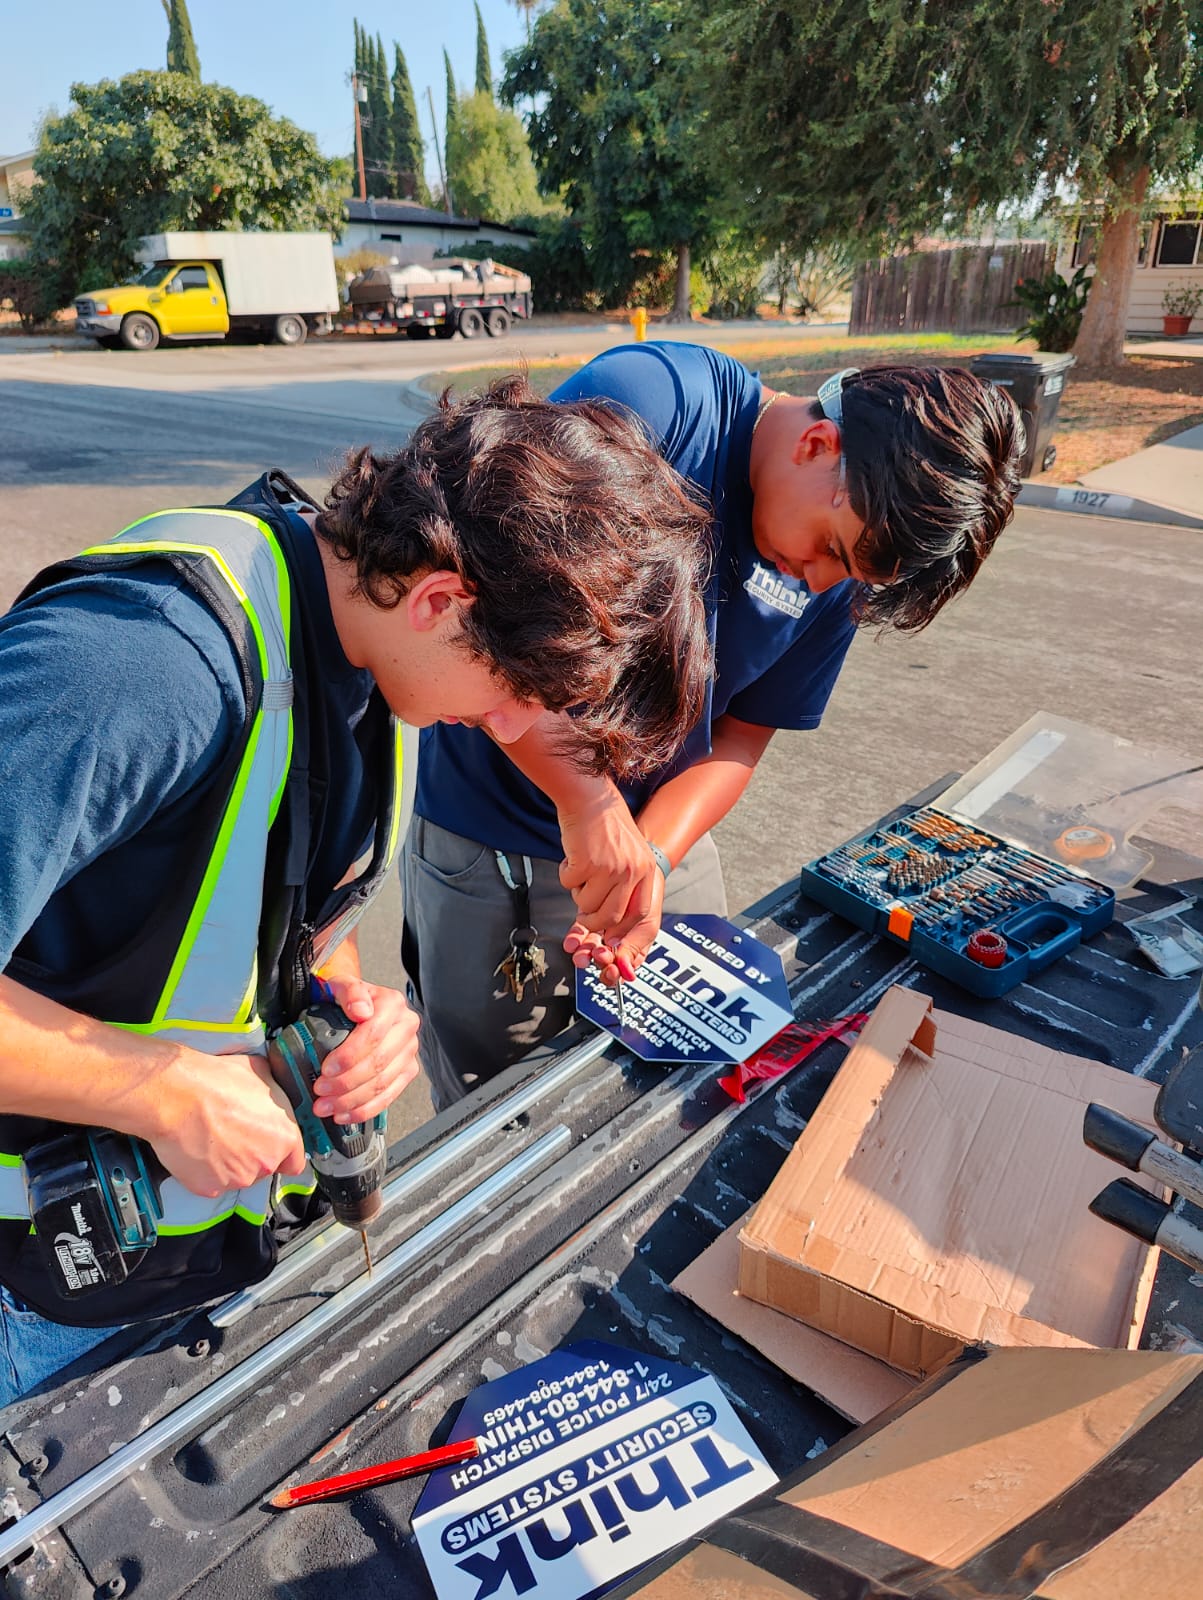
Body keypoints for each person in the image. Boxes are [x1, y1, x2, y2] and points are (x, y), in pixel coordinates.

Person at [0, 374, 713, 1402]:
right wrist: (154, 1090)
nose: (514, 735)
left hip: (173, 1271)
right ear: (439, 599)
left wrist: (346, 1006)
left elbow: (286, 913)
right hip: (32, 1307)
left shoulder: (366, 659)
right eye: (518, 698)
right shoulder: (138, 666)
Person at [403, 343, 1023, 1107]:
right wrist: (589, 804)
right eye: (829, 551)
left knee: (672, 1090)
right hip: (494, 843)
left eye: (852, 576)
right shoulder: (654, 407)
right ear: (817, 444)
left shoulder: (838, 573)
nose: (825, 583)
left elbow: (740, 735)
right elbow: (483, 627)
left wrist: (652, 856)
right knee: (493, 1106)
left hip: (659, 844)